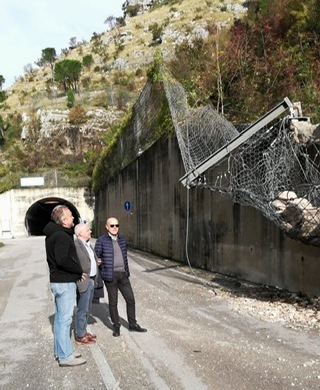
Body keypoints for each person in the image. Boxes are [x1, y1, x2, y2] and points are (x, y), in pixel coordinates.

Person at [44, 205, 87, 367]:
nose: (73, 218)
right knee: (64, 320)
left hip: (58, 281)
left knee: (60, 320)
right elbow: (62, 259)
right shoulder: (61, 236)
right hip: (64, 282)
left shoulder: (52, 234)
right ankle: (65, 356)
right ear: (63, 221)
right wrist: (78, 270)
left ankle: (61, 350)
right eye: (70, 216)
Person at [94, 217, 147, 337]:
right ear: (107, 227)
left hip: (123, 275)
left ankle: (133, 324)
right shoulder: (101, 240)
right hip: (110, 276)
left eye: (117, 225)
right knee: (113, 302)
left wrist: (126, 271)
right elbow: (96, 257)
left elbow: (124, 256)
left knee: (131, 299)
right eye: (112, 226)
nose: (115, 228)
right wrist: (101, 266)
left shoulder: (122, 239)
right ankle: (116, 326)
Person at [74, 223, 101, 345]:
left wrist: (96, 261)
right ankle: (80, 335)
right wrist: (77, 273)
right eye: (87, 230)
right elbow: (73, 262)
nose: (90, 231)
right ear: (80, 233)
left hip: (91, 279)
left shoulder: (88, 244)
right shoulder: (76, 245)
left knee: (87, 308)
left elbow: (89, 259)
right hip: (84, 281)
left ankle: (83, 331)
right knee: (82, 309)